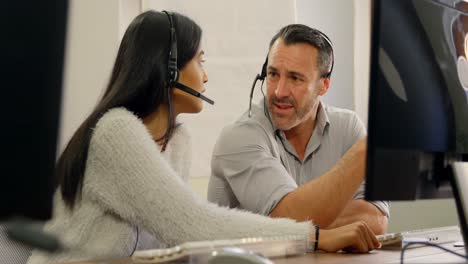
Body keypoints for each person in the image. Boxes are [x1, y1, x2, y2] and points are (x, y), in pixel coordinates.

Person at [27, 11, 380, 264]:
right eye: (200, 61)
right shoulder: (116, 131)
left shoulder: (177, 142)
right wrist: (316, 236)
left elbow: (176, 241)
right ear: (168, 70)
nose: (206, 76)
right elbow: (193, 224)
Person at [208, 24, 389, 235]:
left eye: (295, 78)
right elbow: (290, 222)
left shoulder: (348, 128)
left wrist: (304, 221)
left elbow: (376, 219)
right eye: (273, 74)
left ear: (324, 85)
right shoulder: (239, 137)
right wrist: (364, 152)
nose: (279, 91)